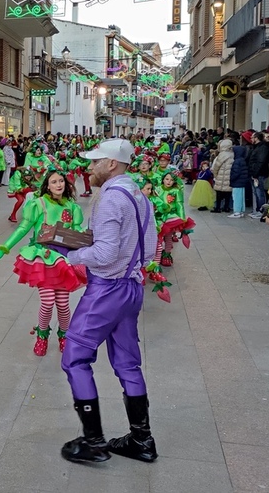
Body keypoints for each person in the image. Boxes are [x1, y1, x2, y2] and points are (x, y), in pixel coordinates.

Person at [59, 139, 159, 465]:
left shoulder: (109, 199)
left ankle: (94, 441)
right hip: (132, 286)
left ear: (112, 164)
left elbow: (105, 254)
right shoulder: (139, 196)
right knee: (128, 363)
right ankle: (142, 440)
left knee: (74, 358)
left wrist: (72, 254)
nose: (89, 168)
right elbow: (149, 245)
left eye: (95, 162)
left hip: (107, 289)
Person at [0, 158, 86, 355]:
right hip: (42, 257)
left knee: (62, 302)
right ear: (47, 185)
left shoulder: (73, 207)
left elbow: (77, 232)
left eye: (61, 181)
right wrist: (4, 247)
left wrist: (89, 249)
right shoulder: (38, 204)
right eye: (53, 182)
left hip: (64, 258)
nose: (58, 185)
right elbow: (24, 227)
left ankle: (64, 335)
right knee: (47, 300)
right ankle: (42, 336)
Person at [247, 132, 269, 218]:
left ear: (256, 138)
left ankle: (261, 211)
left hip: (259, 174)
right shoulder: (256, 147)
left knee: (259, 192)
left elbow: (260, 162)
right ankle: (257, 209)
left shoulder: (263, 147)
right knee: (256, 192)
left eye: (252, 137)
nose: (251, 139)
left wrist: (255, 174)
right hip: (255, 173)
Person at [212, 139, 234, 213]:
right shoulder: (232, 154)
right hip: (229, 176)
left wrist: (215, 175)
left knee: (219, 193)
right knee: (228, 193)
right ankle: (226, 207)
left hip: (221, 175)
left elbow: (216, 166)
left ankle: (217, 207)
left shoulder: (222, 154)